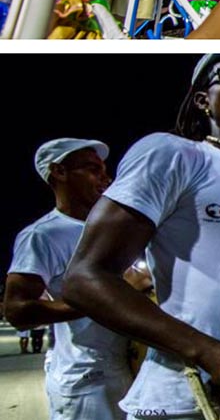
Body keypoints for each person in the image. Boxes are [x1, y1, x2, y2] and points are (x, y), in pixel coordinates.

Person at [61, 54, 220, 418]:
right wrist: (209, 352)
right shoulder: (175, 155)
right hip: (178, 401)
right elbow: (83, 278)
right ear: (203, 100)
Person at [3, 137, 134, 420]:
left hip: (126, 369)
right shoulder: (43, 235)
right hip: (87, 380)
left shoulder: (113, 230)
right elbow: (16, 310)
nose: (105, 177)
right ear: (59, 172)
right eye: (92, 169)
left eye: (103, 169)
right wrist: (110, 300)